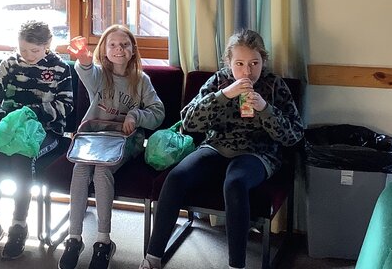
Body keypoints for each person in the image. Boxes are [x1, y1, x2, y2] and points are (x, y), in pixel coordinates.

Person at [138, 29, 304, 269]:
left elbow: (293, 136)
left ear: (263, 61)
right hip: (216, 146)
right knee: (176, 177)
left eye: (254, 63)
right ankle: (153, 258)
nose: (247, 72)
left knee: (235, 182)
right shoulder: (219, 81)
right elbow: (189, 122)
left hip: (257, 153)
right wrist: (224, 95)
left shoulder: (274, 85)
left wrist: (265, 109)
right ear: (229, 62)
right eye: (239, 64)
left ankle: (236, 265)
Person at [60, 25, 165, 269]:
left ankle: (103, 241)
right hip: (95, 138)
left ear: (133, 50)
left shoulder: (141, 80)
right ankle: (74, 238)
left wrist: (135, 116)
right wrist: (84, 57)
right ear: (104, 50)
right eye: (113, 45)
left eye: (125, 45)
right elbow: (86, 69)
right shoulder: (99, 75)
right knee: (80, 168)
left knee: (101, 170)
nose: (119, 49)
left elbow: (158, 113)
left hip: (124, 140)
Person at [0, 20, 74, 260]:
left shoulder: (60, 68)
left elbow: (66, 105)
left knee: (21, 160)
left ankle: (19, 226)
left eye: (34, 50)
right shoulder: (11, 63)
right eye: (23, 50)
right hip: (10, 128)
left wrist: (31, 113)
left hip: (46, 130)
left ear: (47, 45)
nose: (28, 56)